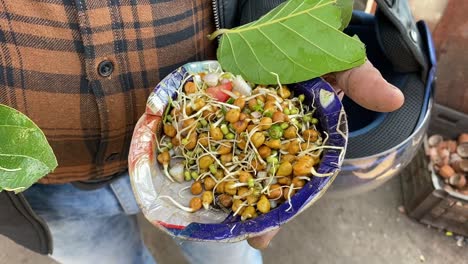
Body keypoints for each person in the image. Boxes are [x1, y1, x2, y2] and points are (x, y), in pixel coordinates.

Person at [0, 0, 404, 263]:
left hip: (209, 183)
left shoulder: (260, 136)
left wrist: (277, 30)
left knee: (234, 257)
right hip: (43, 196)